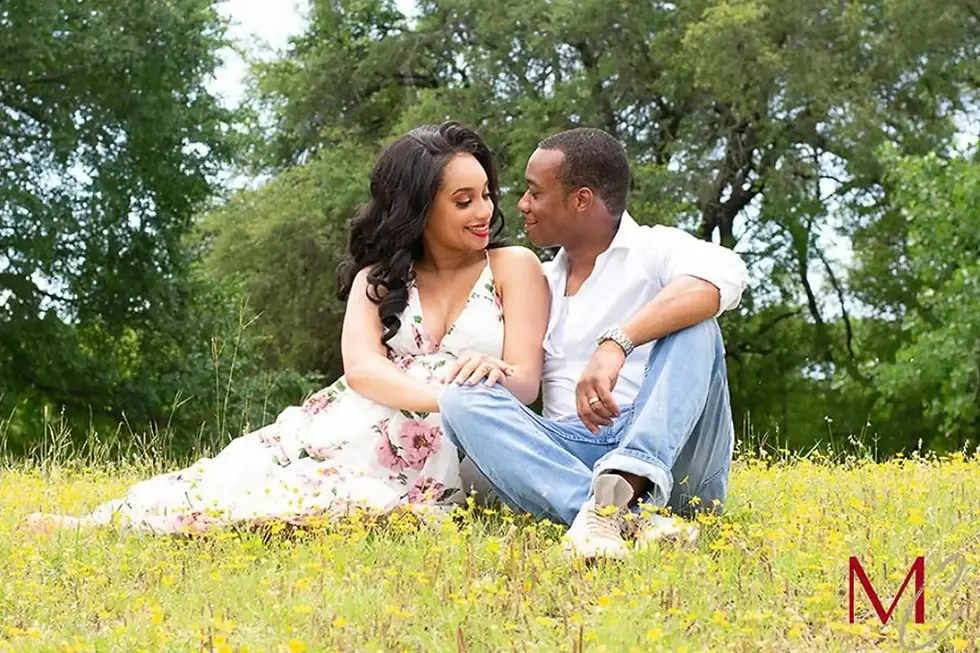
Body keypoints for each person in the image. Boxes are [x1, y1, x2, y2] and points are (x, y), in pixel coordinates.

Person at [25, 121, 550, 535]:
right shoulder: (380, 278)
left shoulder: (512, 268)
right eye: (464, 201)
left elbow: (525, 383)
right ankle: (110, 521)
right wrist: (446, 395)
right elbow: (364, 370)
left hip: (452, 440)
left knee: (324, 505)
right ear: (417, 209)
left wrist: (477, 394)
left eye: (486, 194)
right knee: (244, 472)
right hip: (358, 418)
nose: (484, 211)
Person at [438, 127, 749, 560]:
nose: (522, 205)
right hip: (572, 452)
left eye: (534, 192)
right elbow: (519, 378)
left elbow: (721, 280)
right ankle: (610, 512)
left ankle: (628, 480)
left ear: (581, 199)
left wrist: (616, 344)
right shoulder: (540, 281)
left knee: (698, 324)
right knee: (460, 398)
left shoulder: (656, 249)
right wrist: (491, 369)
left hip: (674, 459)